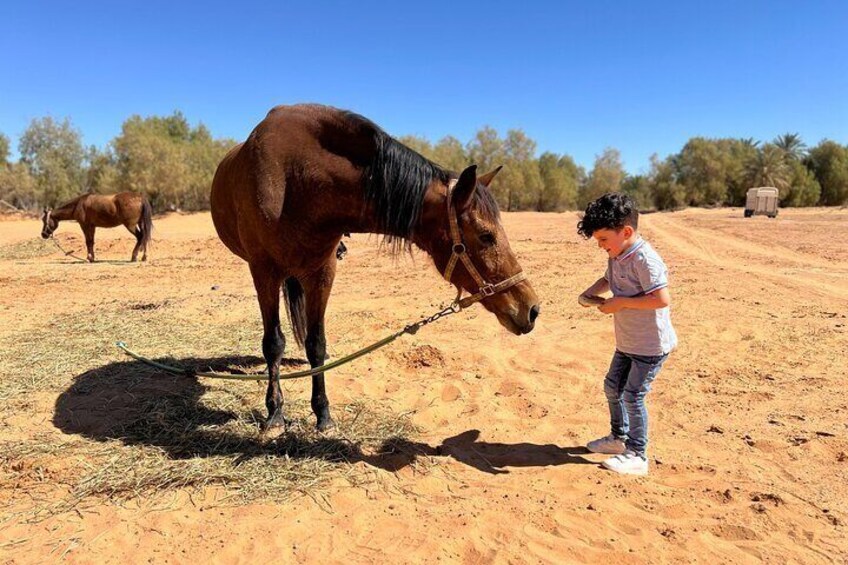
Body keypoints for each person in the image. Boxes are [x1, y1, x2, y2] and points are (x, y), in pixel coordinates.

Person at [577, 193, 677, 476]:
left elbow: (661, 299)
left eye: (604, 240)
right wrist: (591, 293)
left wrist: (621, 303)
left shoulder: (645, 259)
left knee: (633, 396)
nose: (600, 246)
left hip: (650, 346)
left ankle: (638, 454)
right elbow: (609, 279)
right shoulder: (618, 254)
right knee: (612, 387)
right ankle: (618, 439)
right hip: (627, 341)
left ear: (627, 232)